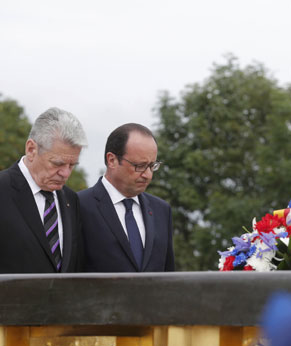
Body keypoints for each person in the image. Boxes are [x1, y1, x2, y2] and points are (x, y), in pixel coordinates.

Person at [0, 107, 88, 273]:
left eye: (72, 165)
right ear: (31, 149)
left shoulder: (71, 199)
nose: (65, 173)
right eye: (58, 163)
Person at [78, 123, 175, 272]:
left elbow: (169, 276)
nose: (148, 174)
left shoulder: (161, 210)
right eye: (140, 166)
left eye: (152, 166)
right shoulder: (79, 206)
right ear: (112, 160)